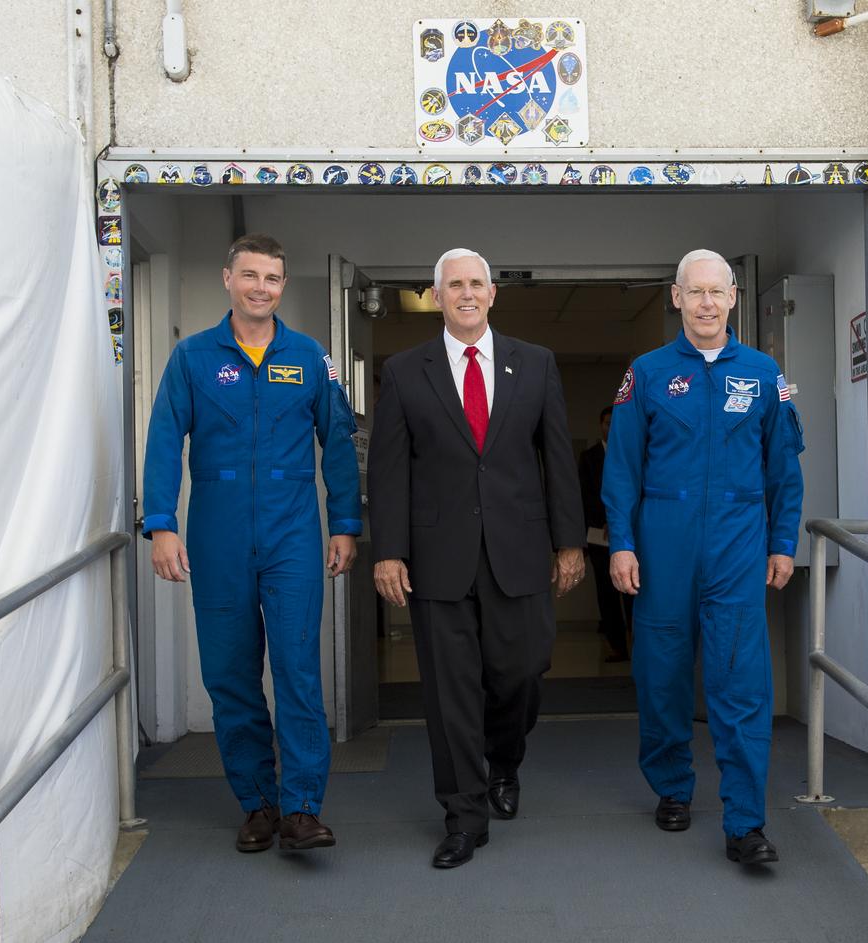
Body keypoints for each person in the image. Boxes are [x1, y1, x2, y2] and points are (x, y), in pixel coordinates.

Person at [142, 233, 361, 854]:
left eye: (271, 277)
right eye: (250, 275)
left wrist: (344, 523)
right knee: (230, 675)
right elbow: (163, 441)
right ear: (227, 279)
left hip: (293, 533)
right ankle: (258, 803)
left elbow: (339, 443)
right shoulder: (192, 358)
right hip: (218, 534)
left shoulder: (309, 357)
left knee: (296, 670)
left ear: (282, 287)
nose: (260, 286)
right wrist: (162, 524)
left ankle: (301, 809)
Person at [368, 248, 586, 869]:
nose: (466, 293)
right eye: (453, 284)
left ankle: (505, 762)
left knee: (520, 672)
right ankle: (464, 817)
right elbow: (388, 472)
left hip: (519, 553)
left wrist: (569, 542)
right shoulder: (407, 371)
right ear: (436, 296)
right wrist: (389, 552)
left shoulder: (535, 364)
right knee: (449, 692)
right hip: (438, 559)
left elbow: (557, 460)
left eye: (476, 284)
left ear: (493, 295)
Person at [603, 248, 804, 866]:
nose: (707, 304)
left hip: (738, 548)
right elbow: (622, 468)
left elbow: (784, 472)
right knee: (660, 675)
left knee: (742, 683)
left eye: (717, 292)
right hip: (664, 548)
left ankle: (745, 823)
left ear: (734, 297)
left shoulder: (766, 373)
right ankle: (672, 786)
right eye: (696, 293)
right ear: (676, 297)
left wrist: (782, 542)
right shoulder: (648, 372)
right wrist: (623, 542)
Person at [577, 405, 630, 662]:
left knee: (633, 592)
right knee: (607, 595)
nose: (610, 427)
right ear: (600, 425)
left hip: (629, 536)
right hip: (599, 536)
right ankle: (617, 646)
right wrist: (605, 520)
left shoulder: (631, 453)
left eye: (614, 422)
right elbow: (584, 496)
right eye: (606, 422)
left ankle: (636, 643)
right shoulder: (589, 457)